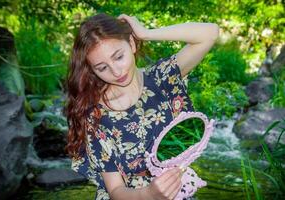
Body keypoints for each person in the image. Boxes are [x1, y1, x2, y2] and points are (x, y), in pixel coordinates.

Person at [65, 12, 219, 200]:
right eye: (102, 68)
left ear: (131, 44)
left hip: (178, 193)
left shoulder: (163, 78)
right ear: (93, 70)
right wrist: (149, 194)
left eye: (118, 56)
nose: (116, 71)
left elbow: (210, 33)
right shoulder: (96, 114)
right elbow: (115, 191)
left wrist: (146, 33)